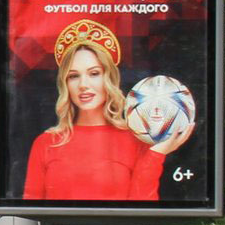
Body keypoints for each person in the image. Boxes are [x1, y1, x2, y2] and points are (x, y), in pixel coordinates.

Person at [21, 18, 192, 201]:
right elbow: (30, 209)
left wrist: (156, 154)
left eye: (94, 73)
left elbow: (143, 207)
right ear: (65, 84)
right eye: (73, 76)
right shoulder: (46, 143)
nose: (83, 84)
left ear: (108, 78)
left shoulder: (135, 139)